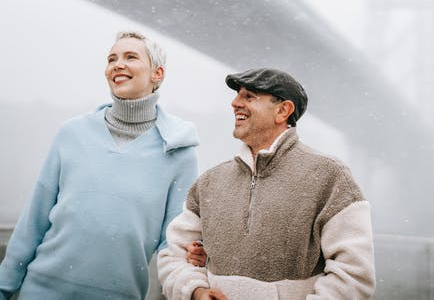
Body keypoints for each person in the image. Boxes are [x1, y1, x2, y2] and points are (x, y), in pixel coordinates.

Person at [0, 31, 199, 300]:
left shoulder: (178, 150)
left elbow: (174, 242)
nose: (117, 64)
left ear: (157, 73)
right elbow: (32, 222)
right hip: (41, 289)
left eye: (131, 57)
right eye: (111, 59)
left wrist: (192, 286)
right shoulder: (71, 134)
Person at [157, 68, 376, 300]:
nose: (234, 103)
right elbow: (173, 255)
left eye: (249, 96)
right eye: (237, 95)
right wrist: (196, 292)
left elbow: (354, 276)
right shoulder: (210, 182)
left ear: (283, 110)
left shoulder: (330, 177)